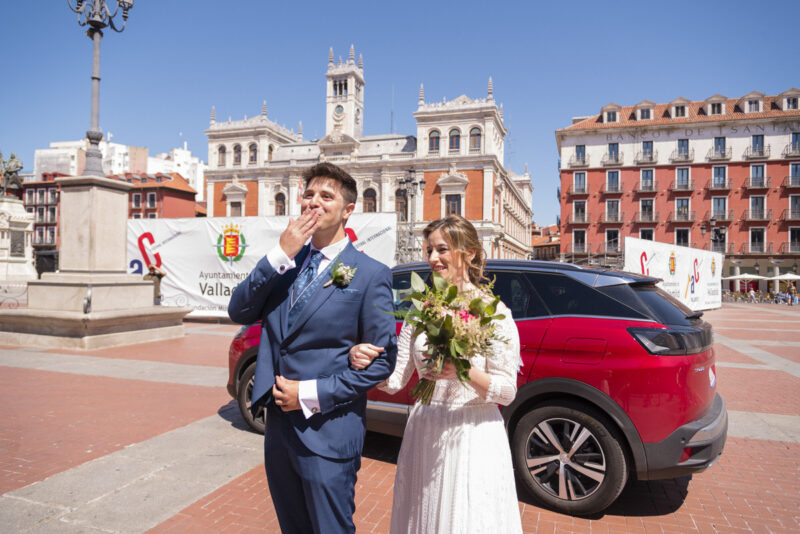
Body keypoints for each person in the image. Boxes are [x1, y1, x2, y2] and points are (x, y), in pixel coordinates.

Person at [228, 162, 397, 534]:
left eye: (326, 196)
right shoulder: (284, 266)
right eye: (308, 195)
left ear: (347, 210)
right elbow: (238, 309)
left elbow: (382, 362)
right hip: (279, 432)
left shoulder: (370, 274)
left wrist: (308, 393)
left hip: (329, 432)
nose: (314, 203)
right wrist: (278, 254)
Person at [349, 215, 523, 534]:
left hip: (471, 434)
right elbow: (396, 380)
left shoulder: (494, 312)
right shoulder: (421, 310)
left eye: (441, 249)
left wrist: (464, 370)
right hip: (424, 427)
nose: (431, 259)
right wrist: (364, 360)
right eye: (428, 250)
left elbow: (507, 391)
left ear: (469, 252)